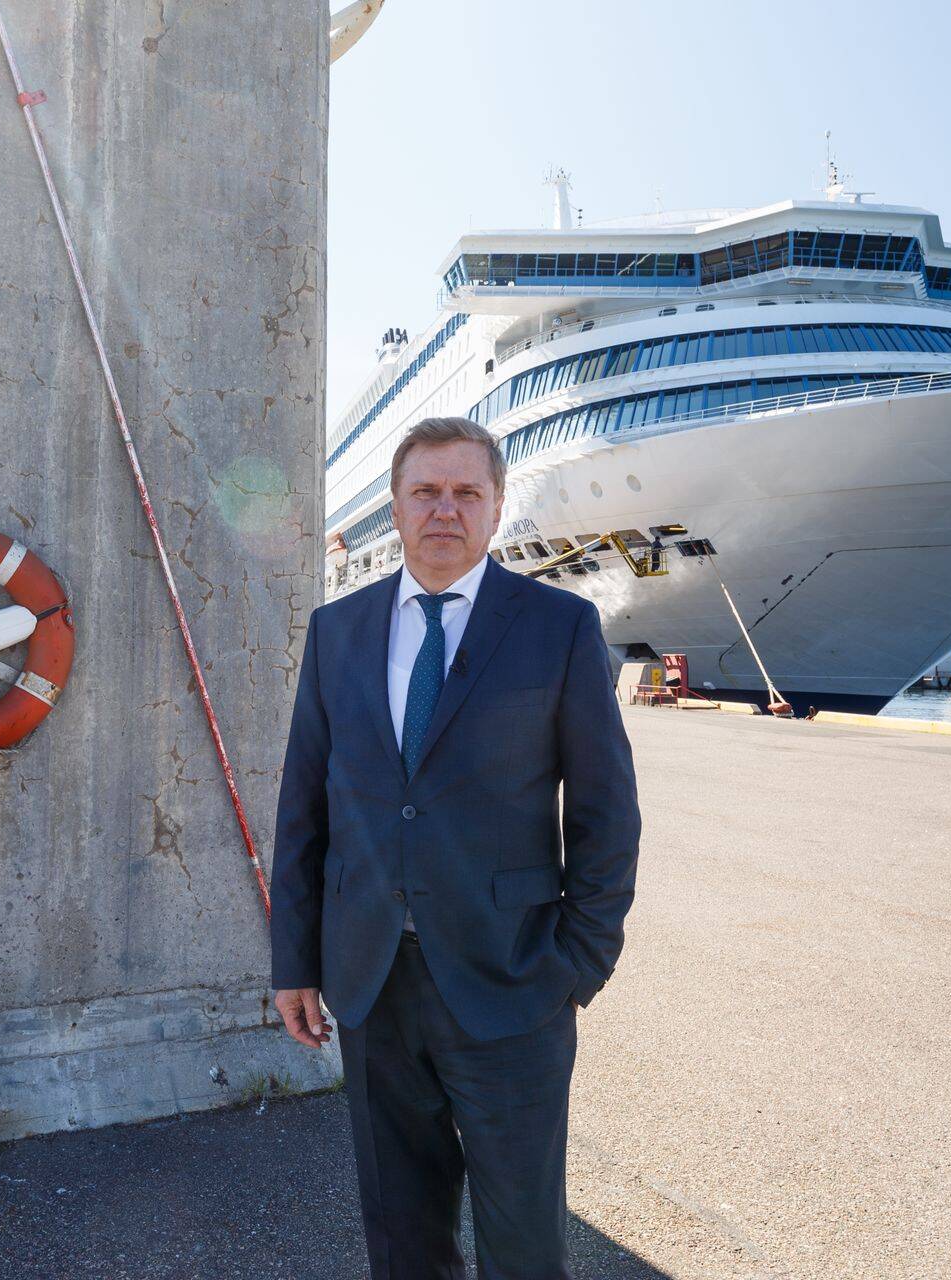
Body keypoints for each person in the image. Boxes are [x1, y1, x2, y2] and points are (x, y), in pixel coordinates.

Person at [270, 416, 641, 1279]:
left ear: (497, 506)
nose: (446, 509)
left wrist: (578, 964)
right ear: (393, 510)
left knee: (521, 1234)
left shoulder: (560, 628)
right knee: (401, 1233)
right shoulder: (339, 632)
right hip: (369, 983)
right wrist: (296, 959)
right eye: (425, 492)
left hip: (513, 979)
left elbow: (605, 813)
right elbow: (305, 810)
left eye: (466, 492)